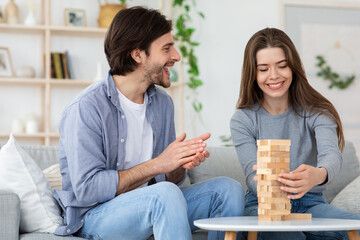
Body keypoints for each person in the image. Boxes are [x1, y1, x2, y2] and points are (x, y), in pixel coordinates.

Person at [53, 6, 245, 240]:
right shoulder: (86, 108)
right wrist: (157, 164)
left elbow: (167, 178)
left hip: (154, 204)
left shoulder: (162, 103)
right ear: (137, 55)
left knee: (228, 190)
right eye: (166, 48)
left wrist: (179, 163)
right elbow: (86, 190)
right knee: (163, 195)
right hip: (96, 216)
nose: (176, 56)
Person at [230, 27, 360, 240]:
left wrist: (317, 175)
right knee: (289, 236)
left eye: (282, 66)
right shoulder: (243, 119)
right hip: (264, 206)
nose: (274, 76)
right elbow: (251, 176)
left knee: (354, 229)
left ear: (293, 67)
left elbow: (331, 155)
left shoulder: (317, 112)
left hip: (311, 202)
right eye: (263, 69)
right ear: (253, 74)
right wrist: (263, 182)